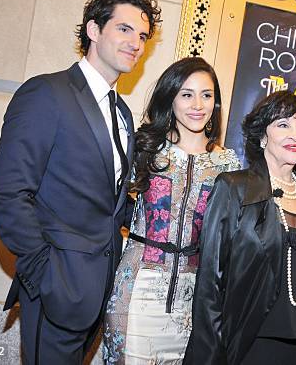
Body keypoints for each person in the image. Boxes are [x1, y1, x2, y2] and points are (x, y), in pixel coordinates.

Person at [0, 0, 161, 364]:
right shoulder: (47, 93)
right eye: (125, 29)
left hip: (97, 292)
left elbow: (109, 202)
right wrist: (44, 277)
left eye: (144, 36)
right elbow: (9, 193)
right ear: (93, 30)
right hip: (56, 287)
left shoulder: (122, 114)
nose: (136, 43)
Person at [103, 57, 241, 364]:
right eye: (187, 94)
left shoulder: (228, 166)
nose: (198, 104)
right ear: (171, 98)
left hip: (193, 305)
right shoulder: (144, 149)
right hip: (137, 294)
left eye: (207, 95)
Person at [184, 91, 296, 365]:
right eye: (283, 125)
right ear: (262, 136)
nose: (295, 134)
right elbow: (210, 283)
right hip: (244, 345)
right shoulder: (235, 188)